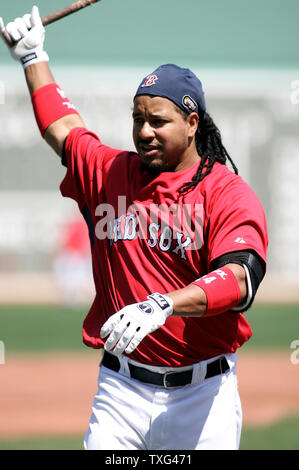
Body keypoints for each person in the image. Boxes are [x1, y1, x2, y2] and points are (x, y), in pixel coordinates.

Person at [0, 6, 268, 450]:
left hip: (204, 398)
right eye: (137, 119)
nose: (144, 131)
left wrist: (164, 305)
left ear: (192, 123)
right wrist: (32, 58)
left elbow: (240, 278)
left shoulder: (226, 192)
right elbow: (63, 128)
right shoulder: (111, 173)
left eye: (158, 121)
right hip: (120, 393)